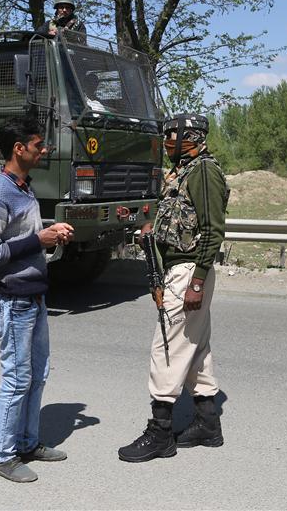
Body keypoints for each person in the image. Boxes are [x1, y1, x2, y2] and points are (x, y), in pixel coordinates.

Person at [118, 113, 229, 463]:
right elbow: (175, 220)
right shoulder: (182, 171)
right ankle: (208, 423)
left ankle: (160, 432)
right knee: (196, 348)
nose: (166, 144)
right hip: (181, 270)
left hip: (189, 272)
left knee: (166, 347)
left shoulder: (203, 171)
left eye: (171, 137)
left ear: (189, 138)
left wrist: (196, 282)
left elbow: (213, 230)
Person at [0, 114, 74, 482]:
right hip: (13, 300)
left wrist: (49, 232)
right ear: (19, 149)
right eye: (38, 144)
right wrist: (39, 240)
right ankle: (3, 457)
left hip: (34, 297)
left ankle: (28, 443)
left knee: (38, 374)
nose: (44, 149)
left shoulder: (23, 188)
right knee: (17, 379)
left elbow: (23, 238)